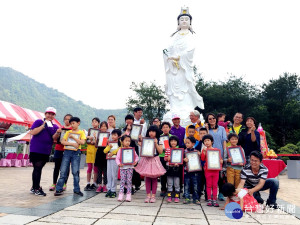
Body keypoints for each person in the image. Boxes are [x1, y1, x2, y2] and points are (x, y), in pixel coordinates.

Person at [163, 7, 204, 124]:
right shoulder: (174, 37)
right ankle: (175, 109)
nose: (184, 21)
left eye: (186, 19)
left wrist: (179, 57)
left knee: (185, 87)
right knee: (173, 86)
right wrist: (166, 54)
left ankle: (187, 109)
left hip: (184, 66)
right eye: (182, 19)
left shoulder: (190, 36)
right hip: (173, 67)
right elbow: (169, 48)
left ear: (190, 22)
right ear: (178, 22)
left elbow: (191, 50)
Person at [29, 107, 60, 196]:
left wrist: (57, 132)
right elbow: (33, 132)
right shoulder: (39, 122)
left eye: (52, 114)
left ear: (54, 116)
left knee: (38, 168)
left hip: (46, 150)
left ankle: (34, 187)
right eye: (48, 113)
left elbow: (54, 138)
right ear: (45, 114)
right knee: (37, 168)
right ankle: (36, 188)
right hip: (36, 149)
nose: (50, 115)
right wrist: (43, 126)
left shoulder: (55, 126)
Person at [55, 117, 86, 196]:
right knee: (63, 171)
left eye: (73, 123)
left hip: (76, 153)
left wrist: (74, 138)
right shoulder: (68, 132)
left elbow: (82, 142)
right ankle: (59, 189)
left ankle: (76, 189)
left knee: (75, 171)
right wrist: (72, 144)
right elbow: (62, 141)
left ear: (78, 123)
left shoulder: (81, 132)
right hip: (67, 152)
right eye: (71, 124)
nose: (72, 125)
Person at [135, 125, 166, 203]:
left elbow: (160, 151)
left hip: (154, 160)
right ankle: (148, 195)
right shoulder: (146, 140)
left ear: (156, 132)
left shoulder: (159, 140)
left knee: (154, 178)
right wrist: (139, 141)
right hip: (146, 159)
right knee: (147, 178)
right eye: (150, 131)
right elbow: (141, 145)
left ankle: (153, 196)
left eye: (153, 131)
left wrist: (155, 143)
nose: (151, 133)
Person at [205, 113, 227, 201]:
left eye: (213, 118)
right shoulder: (207, 129)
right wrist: (207, 129)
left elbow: (224, 141)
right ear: (207, 121)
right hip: (210, 155)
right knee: (210, 175)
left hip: (220, 154)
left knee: (221, 175)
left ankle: (220, 193)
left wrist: (224, 152)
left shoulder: (221, 129)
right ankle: (209, 195)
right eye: (209, 119)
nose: (212, 120)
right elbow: (206, 139)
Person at [49, 114, 72, 192]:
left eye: (69, 119)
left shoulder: (73, 130)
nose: (67, 120)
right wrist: (58, 132)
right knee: (56, 167)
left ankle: (64, 183)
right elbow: (54, 138)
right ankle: (54, 183)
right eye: (65, 119)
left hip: (68, 149)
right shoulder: (60, 128)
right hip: (58, 149)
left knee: (66, 168)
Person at [200, 134, 223, 207]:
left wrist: (221, 161)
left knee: (215, 185)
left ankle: (215, 199)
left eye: (208, 140)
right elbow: (202, 159)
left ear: (212, 141)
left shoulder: (216, 150)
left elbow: (220, 159)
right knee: (209, 185)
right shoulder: (204, 150)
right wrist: (203, 152)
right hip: (208, 170)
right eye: (205, 141)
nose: (206, 142)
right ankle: (209, 199)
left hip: (215, 170)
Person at [116, 135, 139, 202]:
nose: (128, 142)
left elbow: (136, 157)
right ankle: (121, 194)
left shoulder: (132, 149)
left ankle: (128, 194)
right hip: (123, 168)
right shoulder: (120, 150)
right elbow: (117, 158)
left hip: (130, 167)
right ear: (122, 142)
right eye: (126, 141)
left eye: (129, 141)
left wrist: (135, 162)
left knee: (129, 181)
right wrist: (119, 164)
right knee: (122, 181)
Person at [103, 129, 122, 198]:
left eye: (115, 135)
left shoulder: (120, 143)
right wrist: (109, 147)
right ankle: (109, 189)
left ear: (119, 136)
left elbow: (120, 149)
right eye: (112, 135)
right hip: (109, 160)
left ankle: (113, 190)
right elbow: (105, 151)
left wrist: (112, 153)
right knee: (109, 174)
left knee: (114, 174)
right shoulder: (110, 143)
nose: (113, 136)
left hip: (115, 160)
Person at [183, 136, 201, 204]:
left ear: (193, 144)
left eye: (188, 143)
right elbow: (181, 161)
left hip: (195, 171)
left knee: (195, 185)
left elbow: (200, 161)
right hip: (186, 171)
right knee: (186, 185)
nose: (186, 144)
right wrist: (184, 160)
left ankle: (196, 198)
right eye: (186, 143)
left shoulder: (197, 152)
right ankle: (187, 198)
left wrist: (200, 155)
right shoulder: (184, 152)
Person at [84, 117, 100, 191]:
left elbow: (101, 142)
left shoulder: (100, 131)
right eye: (93, 122)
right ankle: (88, 183)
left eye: (95, 122)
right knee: (89, 167)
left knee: (95, 167)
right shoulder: (89, 131)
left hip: (96, 150)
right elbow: (85, 140)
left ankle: (94, 183)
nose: (94, 123)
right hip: (90, 150)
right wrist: (88, 138)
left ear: (98, 123)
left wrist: (95, 142)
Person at [164, 135, 181, 203]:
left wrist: (178, 163)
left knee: (177, 183)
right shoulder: (168, 149)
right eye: (171, 141)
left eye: (175, 141)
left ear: (177, 142)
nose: (173, 142)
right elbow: (165, 158)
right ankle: (169, 196)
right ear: (169, 142)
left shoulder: (179, 150)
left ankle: (176, 197)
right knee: (170, 183)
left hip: (176, 168)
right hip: (169, 168)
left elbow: (180, 160)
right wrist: (167, 158)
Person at [159, 121, 172, 197]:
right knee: (163, 173)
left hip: (170, 157)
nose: (165, 129)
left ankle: (170, 189)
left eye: (167, 127)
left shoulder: (172, 137)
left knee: (170, 173)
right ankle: (163, 189)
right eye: (164, 127)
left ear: (170, 128)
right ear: (161, 129)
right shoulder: (160, 137)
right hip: (162, 156)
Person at [95, 121, 109, 193]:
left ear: (107, 127)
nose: (103, 127)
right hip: (99, 153)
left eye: (105, 126)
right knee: (99, 170)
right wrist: (95, 139)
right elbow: (96, 145)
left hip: (106, 154)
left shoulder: (109, 135)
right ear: (100, 127)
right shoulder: (98, 135)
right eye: (102, 126)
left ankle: (105, 186)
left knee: (105, 171)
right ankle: (99, 185)